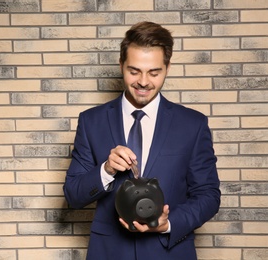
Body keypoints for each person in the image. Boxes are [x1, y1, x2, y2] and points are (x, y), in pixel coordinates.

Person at [63, 21, 221, 260]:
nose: (144, 82)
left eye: (154, 72)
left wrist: (168, 224)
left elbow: (208, 195)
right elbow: (73, 195)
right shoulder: (91, 121)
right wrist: (106, 170)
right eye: (134, 71)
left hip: (170, 251)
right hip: (109, 253)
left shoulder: (193, 125)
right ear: (121, 65)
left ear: (167, 68)